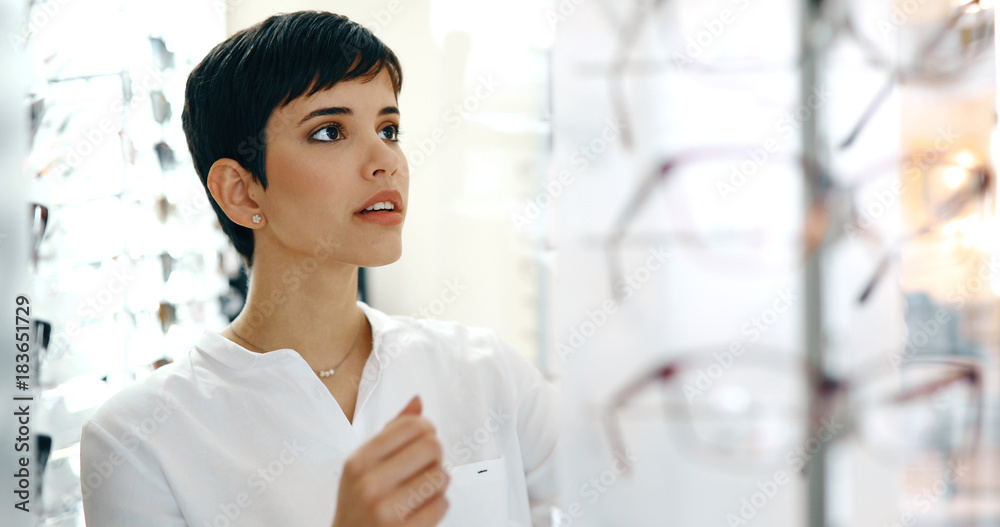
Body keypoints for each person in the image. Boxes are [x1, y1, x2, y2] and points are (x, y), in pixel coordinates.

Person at [79, 11, 560, 527]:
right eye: (331, 132)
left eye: (389, 128)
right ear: (241, 192)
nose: (385, 161)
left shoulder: (487, 373)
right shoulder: (138, 438)